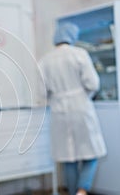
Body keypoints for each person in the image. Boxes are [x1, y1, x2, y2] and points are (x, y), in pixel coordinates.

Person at [40, 23, 107, 195]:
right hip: (81, 107)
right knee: (91, 153)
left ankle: (73, 192)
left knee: (67, 157)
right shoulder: (79, 54)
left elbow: (41, 91)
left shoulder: (45, 60)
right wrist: (84, 96)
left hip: (58, 110)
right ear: (73, 36)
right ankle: (82, 190)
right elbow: (93, 83)